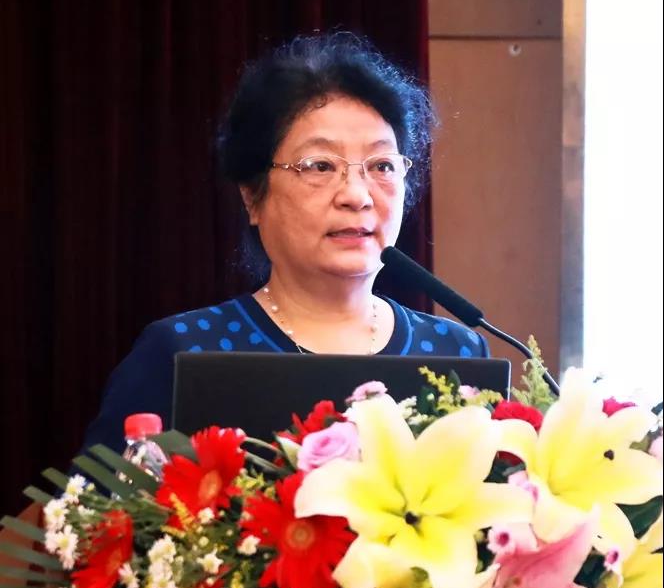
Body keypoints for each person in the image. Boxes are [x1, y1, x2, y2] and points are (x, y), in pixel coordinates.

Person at [81, 33, 490, 453]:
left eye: (382, 165)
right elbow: (94, 497)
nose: (357, 195)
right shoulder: (181, 352)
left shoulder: (458, 354)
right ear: (252, 196)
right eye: (320, 166)